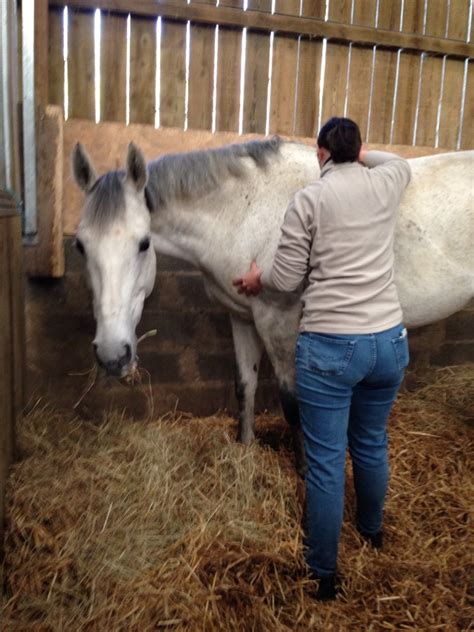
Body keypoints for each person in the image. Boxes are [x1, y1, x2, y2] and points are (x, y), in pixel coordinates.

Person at [233, 117, 411, 601]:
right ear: (360, 149)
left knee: (328, 463)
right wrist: (362, 157)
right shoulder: (387, 182)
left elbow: (287, 280)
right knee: (372, 441)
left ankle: (323, 574)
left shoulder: (309, 200)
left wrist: (255, 281)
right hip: (389, 342)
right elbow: (398, 162)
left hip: (332, 347)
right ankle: (372, 534)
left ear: (319, 154)